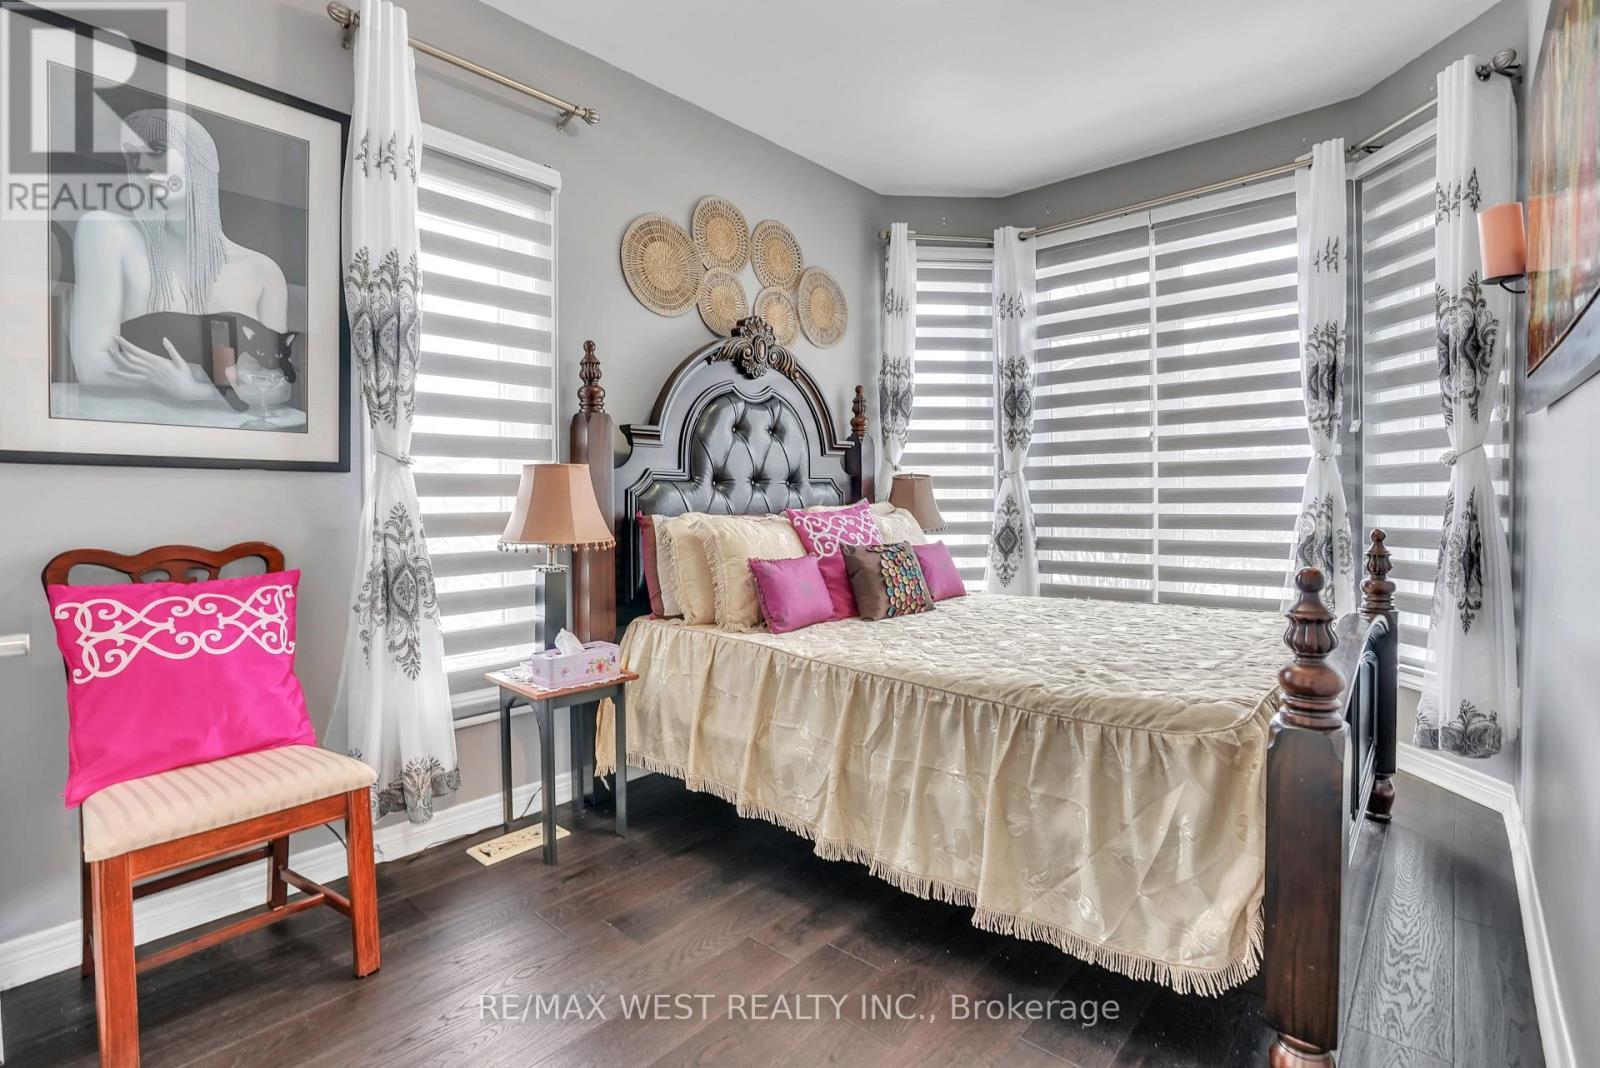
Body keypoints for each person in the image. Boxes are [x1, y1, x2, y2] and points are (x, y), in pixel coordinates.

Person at [66, 108, 289, 409]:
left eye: (157, 149)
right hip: (135, 440)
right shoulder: (107, 232)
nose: (140, 164)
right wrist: (226, 386)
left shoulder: (263, 272)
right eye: (131, 154)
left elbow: (281, 387)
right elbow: (91, 366)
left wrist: (196, 390)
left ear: (199, 158)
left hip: (236, 446)